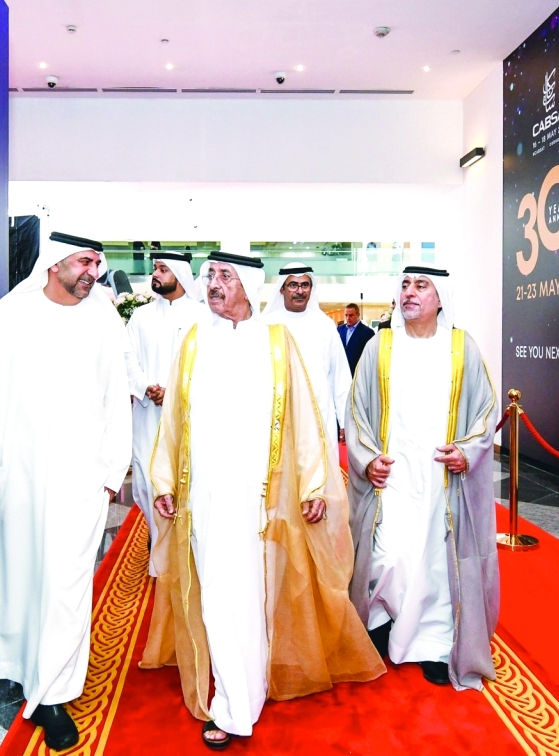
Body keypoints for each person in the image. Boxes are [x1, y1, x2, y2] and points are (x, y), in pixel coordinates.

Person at [140, 251, 383, 750]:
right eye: (210, 275)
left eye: (225, 276)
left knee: (248, 595)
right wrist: (164, 482)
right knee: (215, 594)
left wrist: (313, 484)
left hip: (259, 501)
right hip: (204, 496)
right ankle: (239, 695)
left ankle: (239, 701)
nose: (214, 284)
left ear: (248, 286)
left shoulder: (275, 342)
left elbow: (304, 419)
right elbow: (173, 422)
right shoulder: (194, 341)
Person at [0, 231, 132, 752]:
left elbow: (116, 399)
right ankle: (19, 665)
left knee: (66, 584)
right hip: (18, 474)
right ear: (55, 263)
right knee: (21, 575)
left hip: (82, 479)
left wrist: (112, 472)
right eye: (84, 262)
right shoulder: (11, 313)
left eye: (97, 263)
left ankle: (53, 693)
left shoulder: (104, 319)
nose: (93, 272)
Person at [346, 266, 498, 689]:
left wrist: (466, 452)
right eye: (405, 285)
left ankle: (434, 642)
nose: (409, 293)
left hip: (440, 479)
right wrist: (367, 459)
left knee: (435, 561)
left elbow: (486, 410)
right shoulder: (380, 347)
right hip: (392, 475)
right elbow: (356, 411)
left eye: (420, 286)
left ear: (440, 297)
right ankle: (381, 620)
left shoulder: (461, 347)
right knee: (388, 554)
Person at [124, 252, 207, 531]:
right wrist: (145, 386)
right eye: (155, 269)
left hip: (189, 415)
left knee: (188, 477)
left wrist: (174, 392)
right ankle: (156, 538)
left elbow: (208, 364)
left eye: (163, 269)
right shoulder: (141, 315)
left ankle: (187, 541)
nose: (155, 275)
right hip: (148, 414)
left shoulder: (202, 317)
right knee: (147, 478)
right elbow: (127, 356)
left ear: (180, 275)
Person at [263, 264, 352, 447]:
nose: (300, 291)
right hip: (277, 416)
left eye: (305, 285)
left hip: (320, 413)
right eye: (293, 285)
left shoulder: (325, 325)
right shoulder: (267, 324)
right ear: (282, 289)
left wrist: (345, 421)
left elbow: (340, 376)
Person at [338, 302, 375, 374]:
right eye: (346, 315)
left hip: (358, 371)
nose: (348, 318)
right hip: (342, 371)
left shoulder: (368, 332)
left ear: (358, 315)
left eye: (351, 315)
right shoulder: (340, 329)